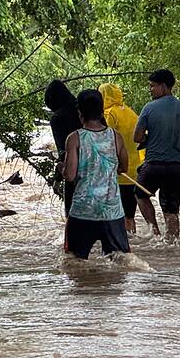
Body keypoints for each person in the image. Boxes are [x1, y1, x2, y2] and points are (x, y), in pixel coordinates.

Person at [63, 89, 131, 260]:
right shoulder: (116, 137)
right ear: (102, 110)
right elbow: (123, 167)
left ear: (79, 112)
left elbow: (70, 175)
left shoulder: (74, 138)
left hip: (82, 212)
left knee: (75, 262)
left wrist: (60, 167)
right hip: (112, 212)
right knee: (120, 262)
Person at [132, 69, 180, 240]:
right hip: (176, 168)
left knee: (140, 194)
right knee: (171, 211)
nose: (150, 90)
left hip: (153, 165)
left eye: (152, 86)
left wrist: (149, 138)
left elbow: (136, 137)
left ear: (163, 86)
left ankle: (154, 232)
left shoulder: (149, 108)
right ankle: (172, 242)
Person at [98, 83, 145, 233]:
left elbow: (105, 142)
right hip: (135, 170)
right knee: (129, 215)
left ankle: (121, 247)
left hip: (118, 172)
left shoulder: (109, 114)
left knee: (115, 215)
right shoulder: (130, 112)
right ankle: (132, 243)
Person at [45, 80, 82, 215]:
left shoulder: (58, 118)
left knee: (72, 216)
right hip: (100, 172)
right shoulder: (83, 109)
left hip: (75, 171)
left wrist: (58, 178)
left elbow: (64, 152)